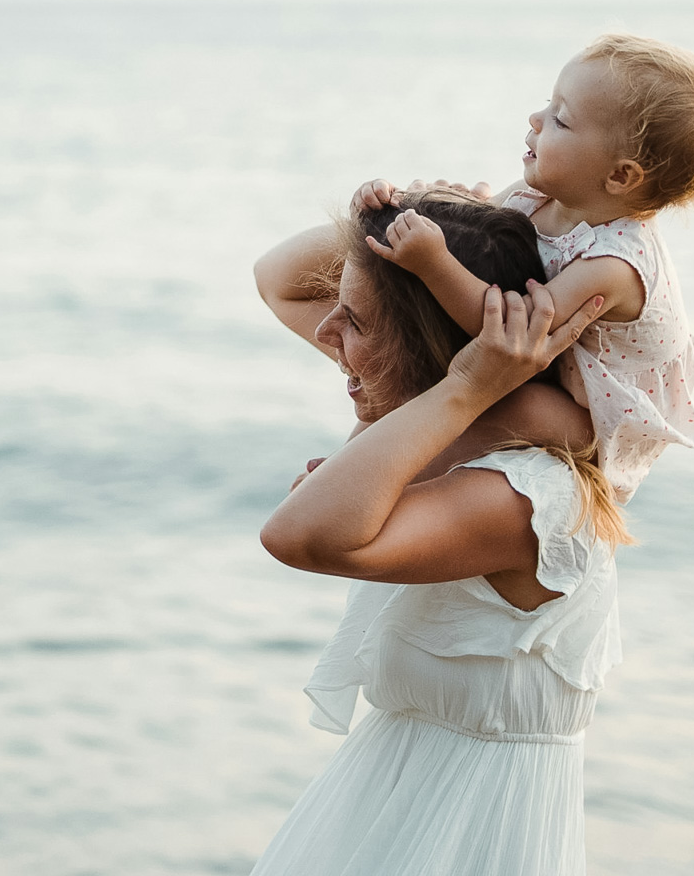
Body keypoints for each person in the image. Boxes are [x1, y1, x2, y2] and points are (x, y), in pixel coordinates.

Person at [248, 190, 620, 874]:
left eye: (356, 319)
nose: (327, 332)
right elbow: (278, 278)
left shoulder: (522, 497)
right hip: (393, 801)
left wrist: (467, 385)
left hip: (470, 832)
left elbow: (298, 536)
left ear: (428, 346)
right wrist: (425, 218)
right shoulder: (420, 419)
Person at [355, 34, 694, 500]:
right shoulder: (541, 193)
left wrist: (434, 263)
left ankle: (382, 482)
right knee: (422, 375)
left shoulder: (611, 265)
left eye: (561, 119)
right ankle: (357, 460)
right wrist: (400, 202)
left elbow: (508, 335)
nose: (536, 118)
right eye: (548, 104)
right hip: (554, 366)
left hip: (593, 417)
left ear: (619, 175)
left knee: (516, 408)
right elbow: (474, 227)